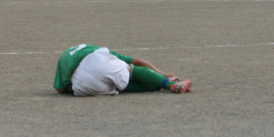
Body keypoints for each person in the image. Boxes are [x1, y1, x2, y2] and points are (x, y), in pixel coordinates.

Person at [53, 43, 192, 96]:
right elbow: (138, 61)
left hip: (81, 86)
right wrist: (162, 73)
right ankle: (170, 84)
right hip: (93, 61)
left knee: (117, 86)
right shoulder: (98, 51)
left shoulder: (62, 59)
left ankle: (158, 85)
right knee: (130, 69)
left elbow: (60, 89)